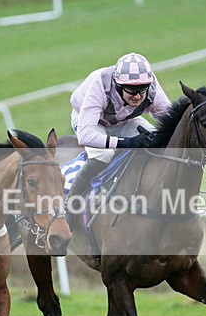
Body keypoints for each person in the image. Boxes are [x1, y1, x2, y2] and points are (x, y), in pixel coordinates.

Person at [67, 52, 171, 208]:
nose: (137, 96)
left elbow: (169, 121)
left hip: (123, 120)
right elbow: (85, 135)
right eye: (131, 89)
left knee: (155, 142)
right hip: (89, 120)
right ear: (118, 85)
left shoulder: (152, 87)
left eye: (142, 89)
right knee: (103, 153)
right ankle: (70, 203)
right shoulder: (100, 86)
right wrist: (126, 142)